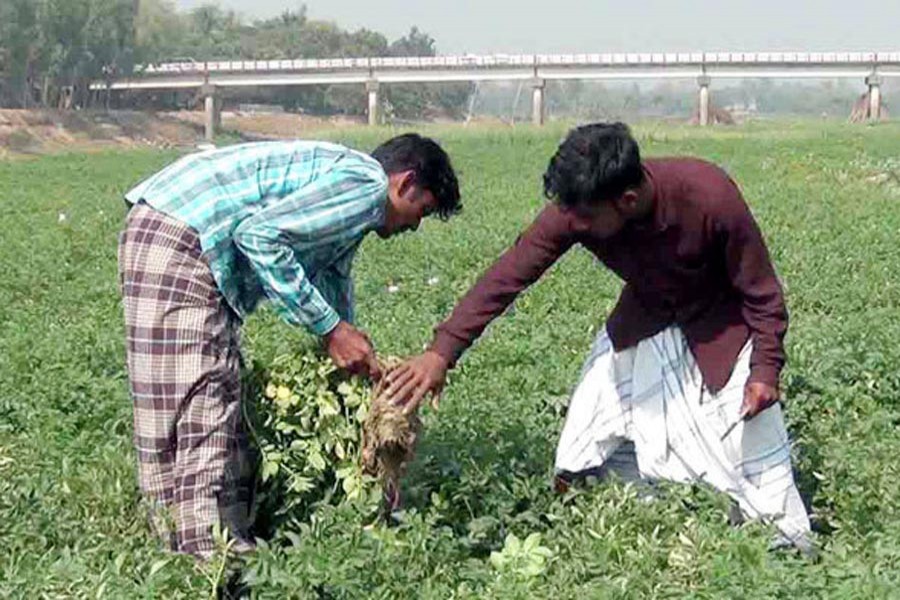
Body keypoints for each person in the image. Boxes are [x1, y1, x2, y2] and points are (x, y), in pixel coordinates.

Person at [386, 122, 812, 552]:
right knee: (588, 438)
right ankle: (642, 519)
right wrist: (442, 352)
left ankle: (784, 549)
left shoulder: (708, 195)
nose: (573, 223)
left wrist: (765, 369)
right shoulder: (582, 205)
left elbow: (762, 293)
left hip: (722, 328)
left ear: (627, 201)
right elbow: (509, 274)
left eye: (584, 217)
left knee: (753, 450)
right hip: (645, 319)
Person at [118, 135, 460, 558]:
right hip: (183, 238)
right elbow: (259, 237)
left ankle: (183, 547)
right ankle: (206, 564)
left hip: (167, 226)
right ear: (405, 183)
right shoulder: (367, 186)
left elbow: (332, 279)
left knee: (188, 403)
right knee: (203, 402)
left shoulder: (350, 196)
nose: (414, 225)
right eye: (421, 211)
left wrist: (350, 349)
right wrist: (332, 331)